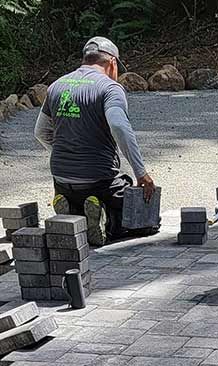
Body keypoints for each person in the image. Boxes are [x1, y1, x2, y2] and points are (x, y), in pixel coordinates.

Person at [33, 36, 156, 246]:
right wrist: (141, 173)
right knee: (147, 223)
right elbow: (118, 126)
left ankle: (73, 209)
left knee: (80, 196)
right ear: (112, 63)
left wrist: (65, 152)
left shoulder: (56, 86)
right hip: (98, 180)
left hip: (61, 178)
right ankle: (107, 221)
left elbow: (40, 132)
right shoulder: (109, 88)